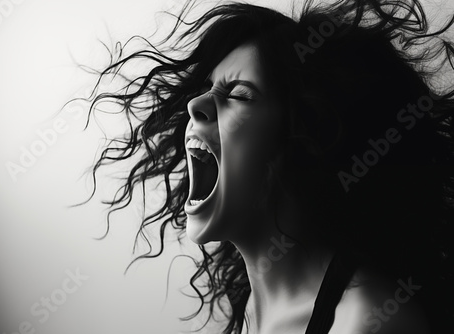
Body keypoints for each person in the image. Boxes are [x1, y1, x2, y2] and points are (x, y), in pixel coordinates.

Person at [83, 0, 454, 333]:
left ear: (306, 140)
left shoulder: (371, 322)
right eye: (209, 87)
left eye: (239, 95)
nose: (196, 105)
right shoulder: (250, 311)